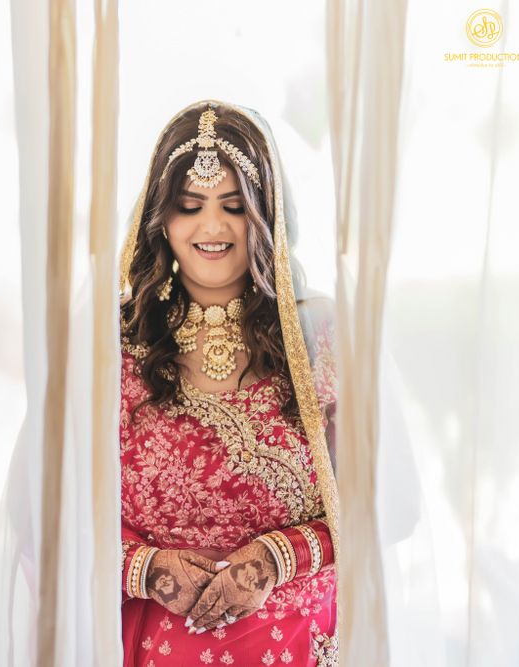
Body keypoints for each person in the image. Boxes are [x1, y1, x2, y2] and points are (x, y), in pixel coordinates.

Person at [118, 100, 340, 666]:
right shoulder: (110, 345)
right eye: (190, 206)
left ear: (266, 215)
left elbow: (386, 507)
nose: (212, 227)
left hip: (296, 643)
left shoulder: (322, 338)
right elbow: (44, 515)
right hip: (153, 648)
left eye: (235, 206)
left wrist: (275, 558)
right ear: (160, 220)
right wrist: (145, 568)